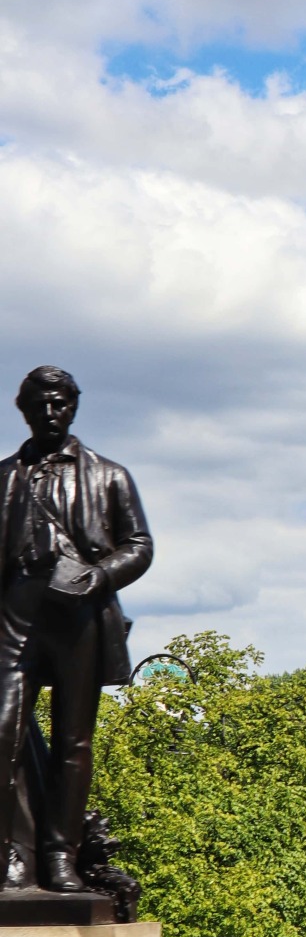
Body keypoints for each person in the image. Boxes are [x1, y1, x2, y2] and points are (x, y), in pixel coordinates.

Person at [0, 369, 152, 891]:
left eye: (60, 403)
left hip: (79, 617)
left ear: (73, 407)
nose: (50, 412)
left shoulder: (108, 476)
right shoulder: (4, 476)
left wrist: (100, 575)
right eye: (40, 404)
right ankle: (13, 856)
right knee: (4, 734)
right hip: (15, 618)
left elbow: (139, 545)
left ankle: (60, 856)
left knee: (72, 743)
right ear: (23, 409)